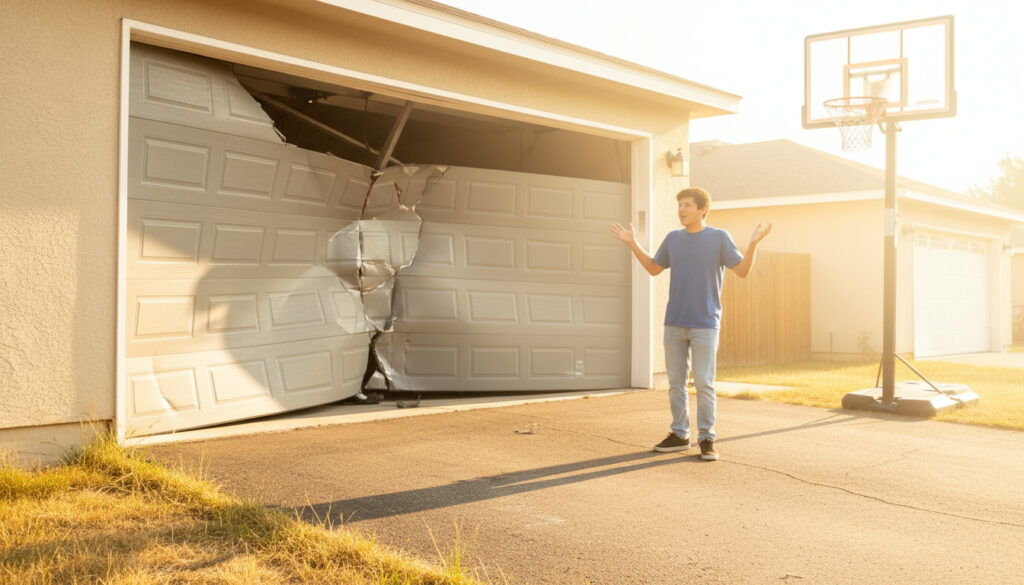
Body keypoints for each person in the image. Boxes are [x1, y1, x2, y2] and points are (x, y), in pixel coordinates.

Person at [610, 187, 771, 461]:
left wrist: (753, 244)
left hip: (705, 323)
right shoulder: (673, 239)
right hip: (674, 323)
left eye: (687, 205)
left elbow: (742, 271)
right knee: (676, 383)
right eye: (679, 206)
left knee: (705, 384)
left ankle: (707, 438)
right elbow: (653, 268)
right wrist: (632, 243)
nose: (681, 210)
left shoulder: (719, 238)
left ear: (702, 209)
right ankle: (680, 434)